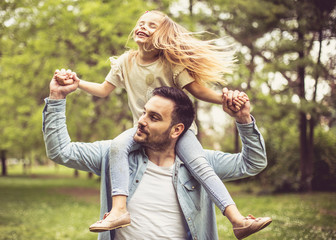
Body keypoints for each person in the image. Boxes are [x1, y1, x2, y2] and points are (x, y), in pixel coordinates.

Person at [54, 10, 267, 237]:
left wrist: (225, 100)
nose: (143, 27)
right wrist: (78, 83)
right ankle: (118, 210)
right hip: (140, 130)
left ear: (163, 35)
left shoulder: (171, 63)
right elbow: (104, 90)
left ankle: (237, 220)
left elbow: (197, 90)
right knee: (117, 146)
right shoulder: (125, 62)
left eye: (152, 25)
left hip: (180, 134)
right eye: (141, 23)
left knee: (201, 166)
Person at [43, 74, 272, 239]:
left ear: (176, 130)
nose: (141, 120)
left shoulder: (200, 163)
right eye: (144, 112)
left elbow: (252, 163)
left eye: (154, 117)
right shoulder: (114, 156)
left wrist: (243, 119)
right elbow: (61, 151)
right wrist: (56, 97)